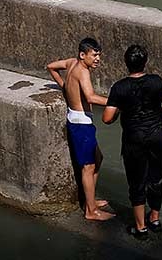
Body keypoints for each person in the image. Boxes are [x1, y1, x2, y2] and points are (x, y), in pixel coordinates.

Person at [102, 44, 162, 238]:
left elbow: (107, 118)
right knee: (156, 178)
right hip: (157, 135)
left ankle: (140, 227)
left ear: (126, 63)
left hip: (133, 138)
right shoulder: (156, 81)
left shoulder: (119, 87)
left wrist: (120, 110)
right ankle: (155, 219)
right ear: (145, 62)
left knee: (136, 182)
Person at [46, 38, 115, 222]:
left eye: (99, 55)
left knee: (97, 158)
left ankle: (90, 201)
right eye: (94, 55)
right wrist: (116, 102)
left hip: (78, 119)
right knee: (88, 167)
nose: (98, 59)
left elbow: (51, 66)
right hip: (80, 123)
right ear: (83, 55)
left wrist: (64, 86)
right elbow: (91, 97)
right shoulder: (83, 71)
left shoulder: (70, 63)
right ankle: (90, 210)